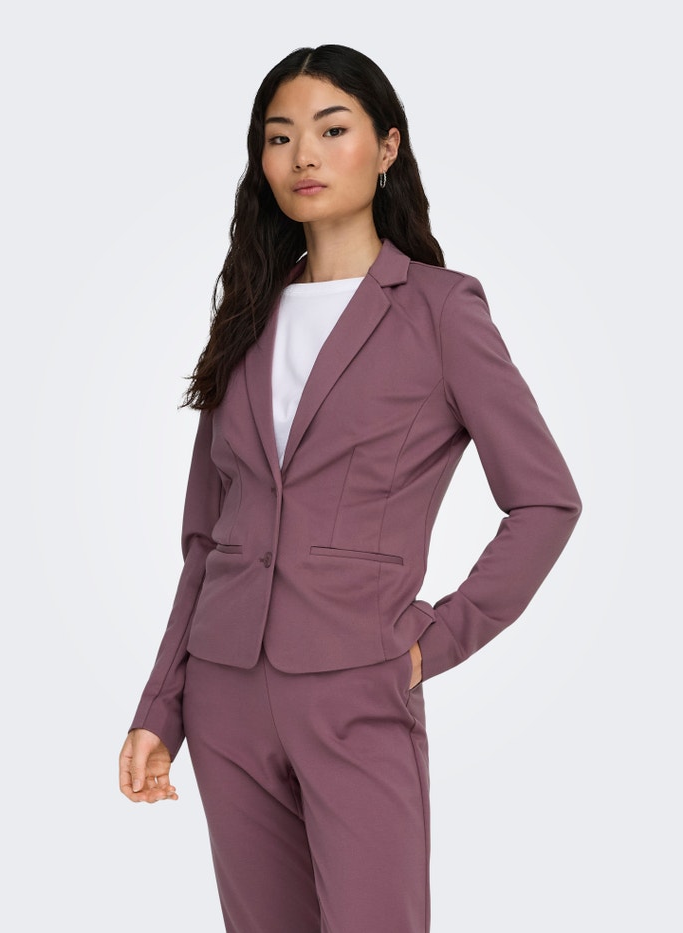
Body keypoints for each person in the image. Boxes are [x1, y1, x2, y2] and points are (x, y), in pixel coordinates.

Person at [119, 44, 582, 933]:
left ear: (387, 147)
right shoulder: (245, 317)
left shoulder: (441, 309)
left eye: (333, 130)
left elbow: (546, 502)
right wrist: (159, 708)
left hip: (357, 687)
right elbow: (205, 539)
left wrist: (431, 642)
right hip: (223, 693)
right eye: (279, 136)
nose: (304, 154)